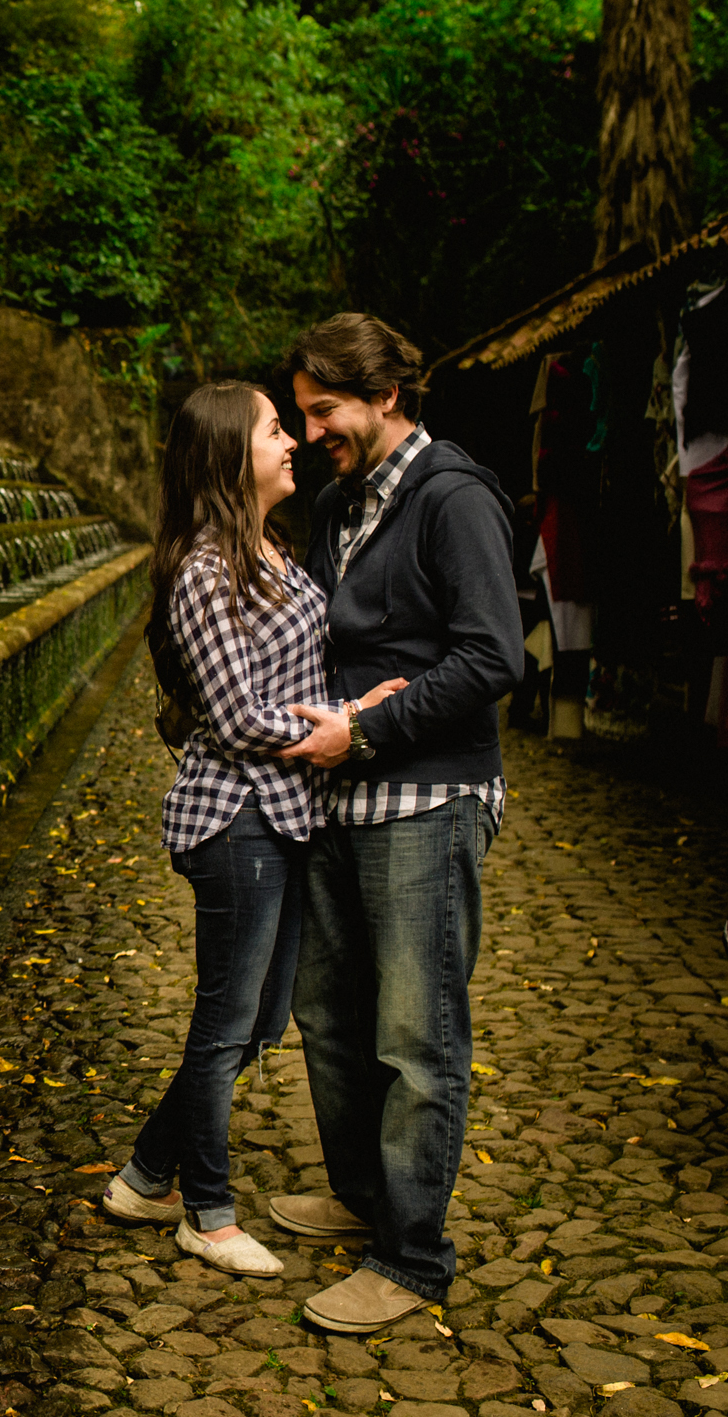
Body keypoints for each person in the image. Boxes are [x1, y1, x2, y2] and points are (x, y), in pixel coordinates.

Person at [101, 382, 400, 1276]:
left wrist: (353, 708)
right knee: (228, 1020)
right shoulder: (202, 568)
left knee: (261, 1019)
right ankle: (208, 1211)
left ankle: (146, 1174)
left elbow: (289, 681)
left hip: (280, 818)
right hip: (236, 822)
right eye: (276, 428)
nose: (292, 442)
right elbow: (235, 716)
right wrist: (339, 734)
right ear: (233, 452)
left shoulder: (268, 551)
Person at [271, 313, 526, 1333]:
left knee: (419, 1038)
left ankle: (413, 1256)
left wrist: (367, 735)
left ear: (386, 396)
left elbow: (492, 657)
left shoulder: (453, 499)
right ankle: (361, 1197)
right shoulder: (337, 504)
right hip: (340, 801)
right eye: (300, 414)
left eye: (323, 410)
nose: (311, 429)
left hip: (427, 802)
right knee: (330, 1017)